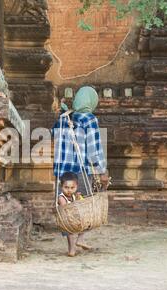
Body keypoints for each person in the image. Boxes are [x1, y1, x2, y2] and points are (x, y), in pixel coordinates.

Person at [53, 86, 110, 256]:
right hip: (81, 172)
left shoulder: (63, 119)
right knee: (86, 206)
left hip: (62, 173)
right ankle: (81, 239)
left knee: (67, 210)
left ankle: (71, 248)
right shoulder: (89, 119)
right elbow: (94, 148)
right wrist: (102, 170)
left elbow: (53, 135)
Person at [57, 172, 84, 257]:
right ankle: (72, 249)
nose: (69, 190)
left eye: (72, 188)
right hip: (65, 221)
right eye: (66, 187)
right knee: (70, 235)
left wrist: (78, 199)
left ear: (77, 187)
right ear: (61, 187)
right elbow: (66, 208)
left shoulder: (73, 196)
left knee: (86, 224)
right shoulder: (61, 198)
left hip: (72, 219)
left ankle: (80, 240)